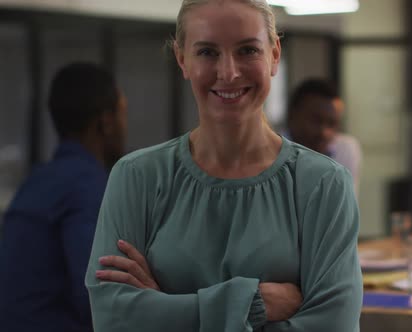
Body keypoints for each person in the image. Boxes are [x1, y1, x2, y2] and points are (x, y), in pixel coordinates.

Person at [85, 1, 363, 331]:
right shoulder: (136, 178)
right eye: (207, 52)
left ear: (274, 54)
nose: (229, 72)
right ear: (181, 58)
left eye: (247, 50)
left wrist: (166, 309)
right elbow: (114, 320)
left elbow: (334, 326)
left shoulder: (323, 184)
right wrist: (251, 304)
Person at [0, 62, 127, 332]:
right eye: (122, 113)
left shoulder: (36, 183)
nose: (124, 127)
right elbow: (96, 296)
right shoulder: (86, 187)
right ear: (105, 122)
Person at [286, 78, 362, 195]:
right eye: (316, 121)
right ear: (292, 115)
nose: (324, 132)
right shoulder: (270, 151)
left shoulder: (345, 149)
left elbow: (345, 206)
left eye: (332, 124)